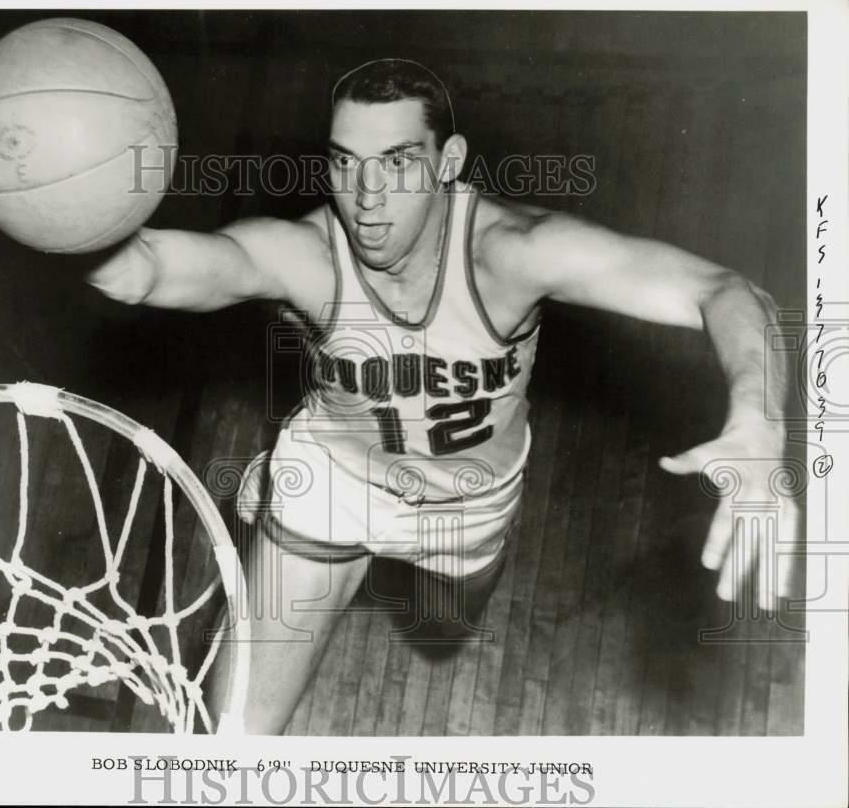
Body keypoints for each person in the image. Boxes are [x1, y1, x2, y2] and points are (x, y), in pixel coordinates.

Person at [89, 59, 795, 735]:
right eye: (344, 162)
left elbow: (725, 290)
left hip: (470, 500)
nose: (366, 197)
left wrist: (759, 426)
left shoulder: (512, 252)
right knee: (236, 736)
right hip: (334, 484)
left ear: (449, 161)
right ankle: (279, 502)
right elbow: (144, 273)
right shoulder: (306, 255)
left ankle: (319, 534)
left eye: (397, 163)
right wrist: (39, 200)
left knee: (445, 624)